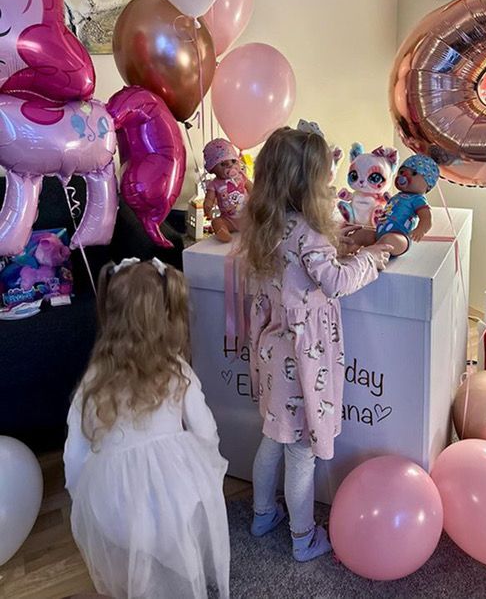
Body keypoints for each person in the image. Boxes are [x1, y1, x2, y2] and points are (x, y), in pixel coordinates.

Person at [239, 126, 392, 562]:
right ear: (309, 183)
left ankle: (262, 513)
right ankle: (303, 537)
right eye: (326, 174)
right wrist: (373, 258)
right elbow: (336, 281)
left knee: (272, 438)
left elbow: (297, 270)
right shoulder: (309, 234)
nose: (330, 181)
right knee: (302, 450)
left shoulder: (264, 226)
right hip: (304, 359)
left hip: (273, 351)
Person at [63, 257, 229, 599]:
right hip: (174, 496)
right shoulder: (176, 370)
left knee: (131, 545)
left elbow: (74, 451)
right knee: (178, 524)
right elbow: (205, 430)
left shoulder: (94, 378)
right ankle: (174, 570)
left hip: (115, 504)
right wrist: (211, 469)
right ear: (166, 315)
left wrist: (83, 493)